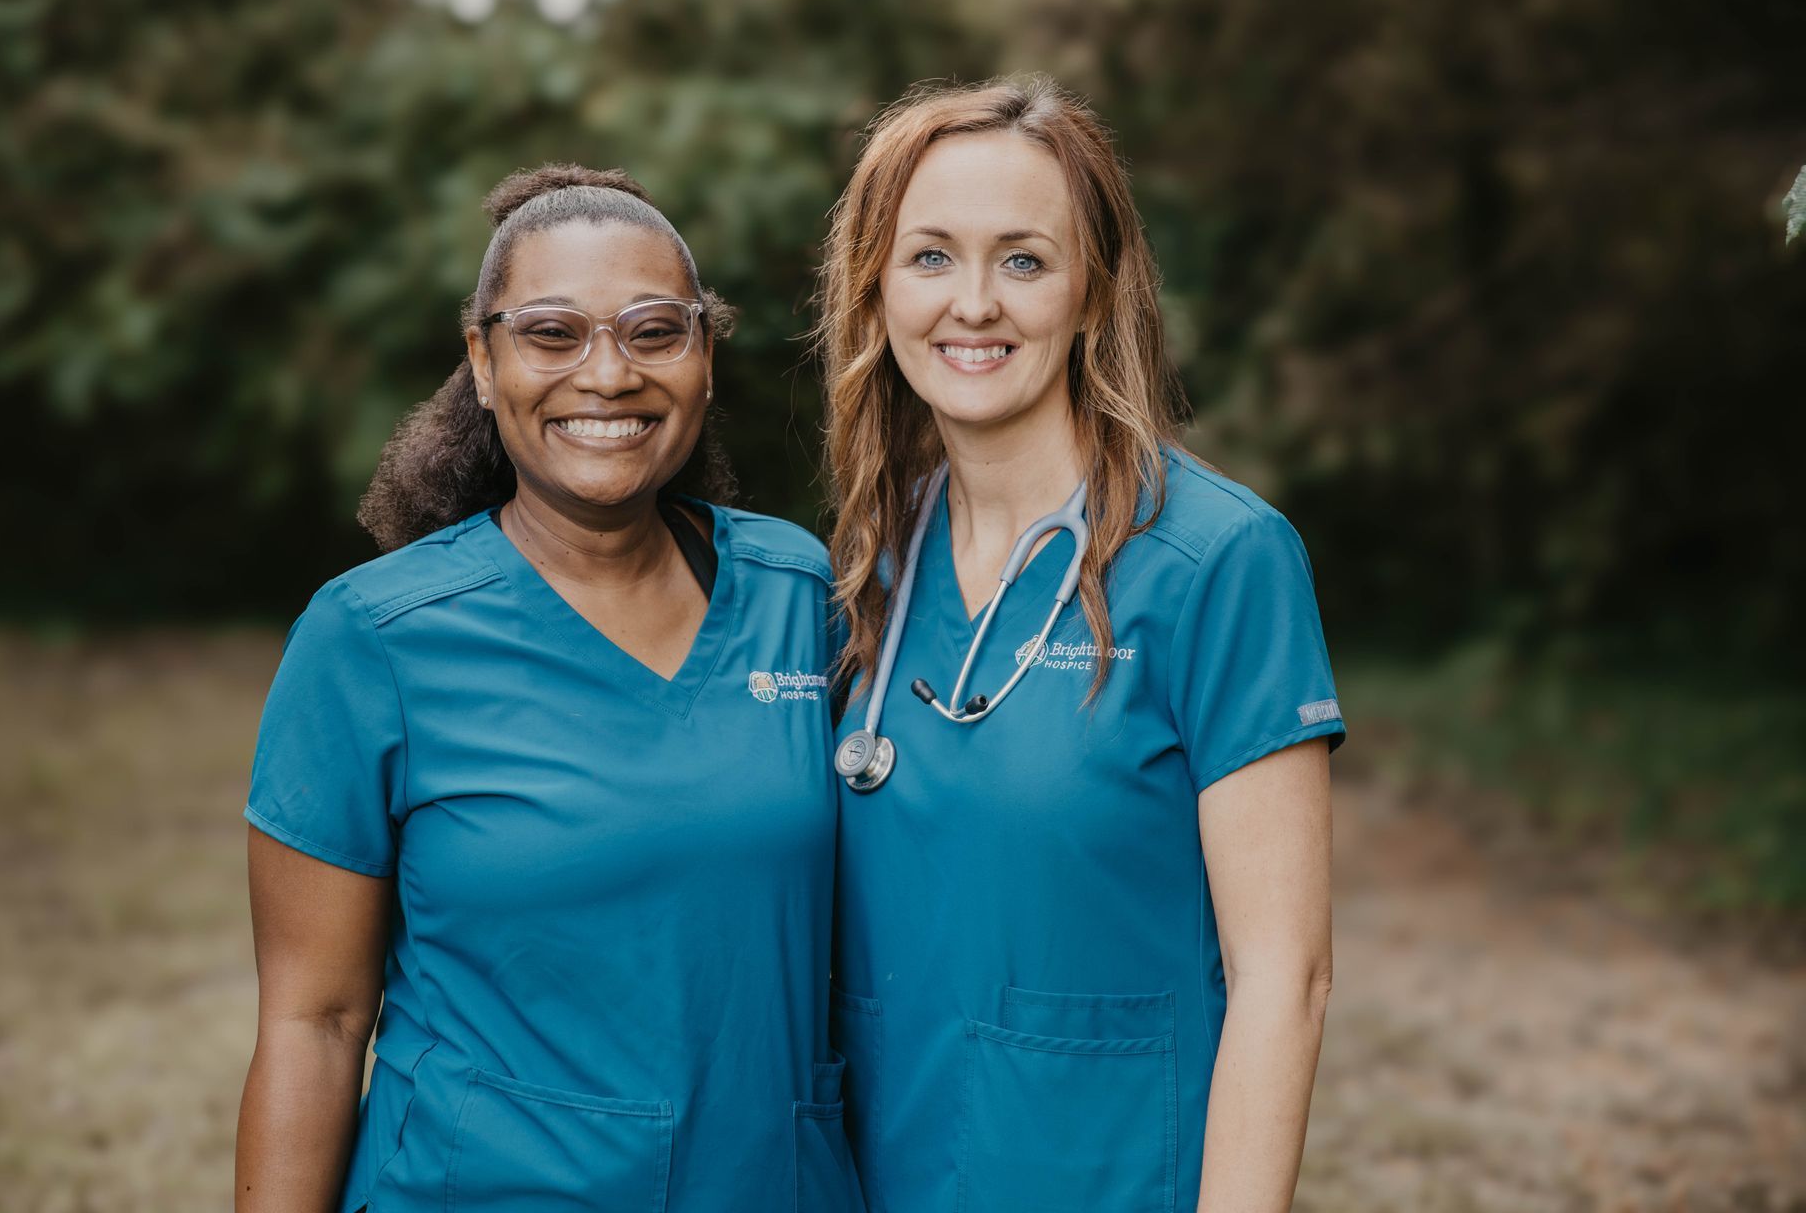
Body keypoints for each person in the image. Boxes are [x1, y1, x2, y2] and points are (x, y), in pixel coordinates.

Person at [235, 164, 862, 1212]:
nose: (608, 373)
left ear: (706, 356)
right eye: (552, 333)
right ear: (482, 360)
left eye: (655, 331)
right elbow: (317, 1020)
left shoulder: (800, 593)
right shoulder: (374, 640)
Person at [819, 78, 1346, 1212]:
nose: (973, 303)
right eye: (929, 257)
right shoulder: (867, 567)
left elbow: (1283, 978)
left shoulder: (1219, 562)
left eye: (1022, 259)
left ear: (1092, 292)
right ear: (874, 288)